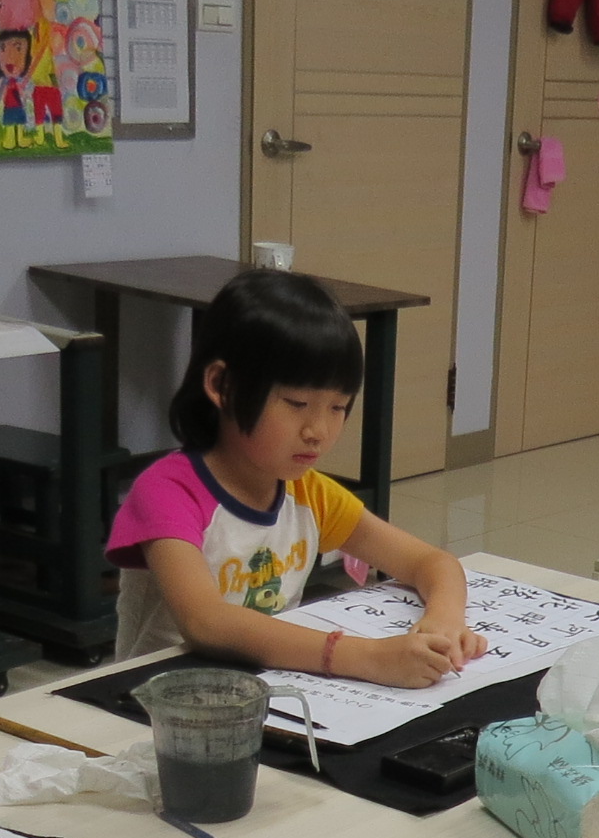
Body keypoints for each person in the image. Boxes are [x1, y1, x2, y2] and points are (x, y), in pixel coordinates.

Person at [107, 268, 485, 682]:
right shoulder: (169, 491)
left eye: (337, 407)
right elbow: (207, 622)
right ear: (222, 385)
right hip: (154, 699)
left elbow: (431, 562)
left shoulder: (309, 494)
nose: (317, 431)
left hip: (264, 688)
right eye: (297, 403)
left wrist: (444, 619)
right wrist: (367, 658)